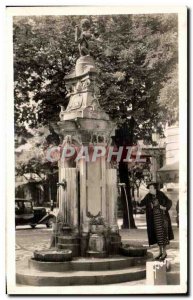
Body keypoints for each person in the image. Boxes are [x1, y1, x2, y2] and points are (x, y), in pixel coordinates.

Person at [137, 182, 174, 261]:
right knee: (158, 236)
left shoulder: (161, 194)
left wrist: (165, 207)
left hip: (162, 218)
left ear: (155, 188)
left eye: (151, 188)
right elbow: (141, 204)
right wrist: (138, 201)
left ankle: (164, 252)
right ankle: (160, 252)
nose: (149, 190)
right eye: (149, 188)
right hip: (154, 219)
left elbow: (169, 202)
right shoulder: (148, 196)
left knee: (163, 235)